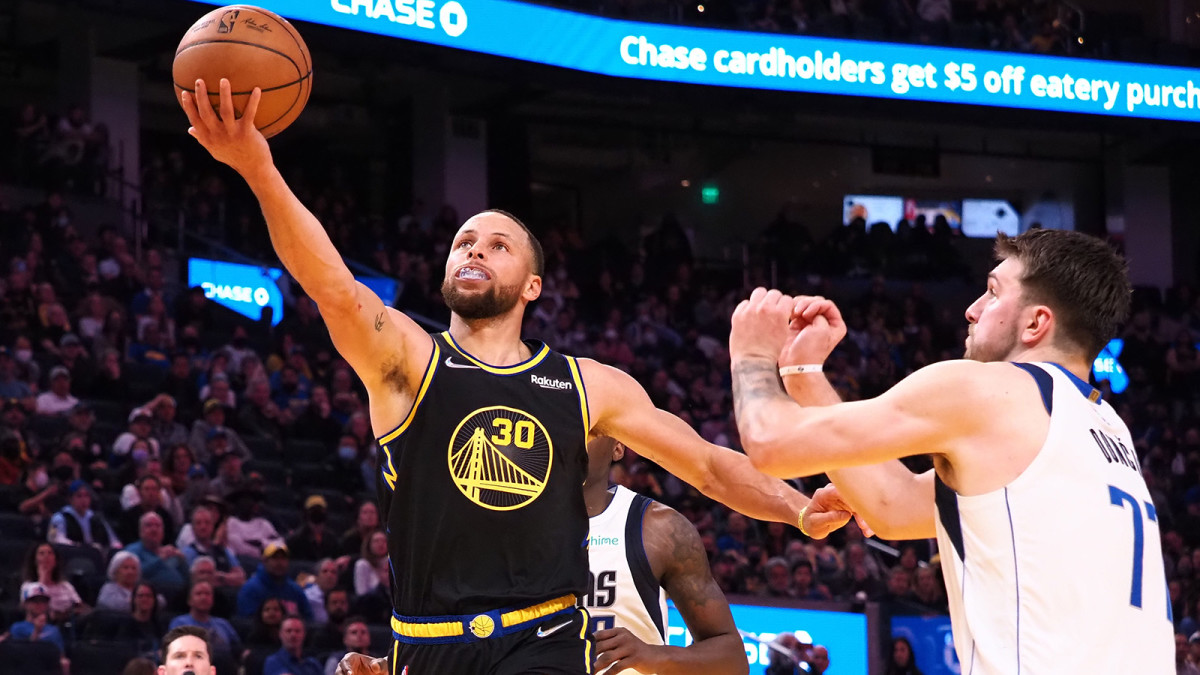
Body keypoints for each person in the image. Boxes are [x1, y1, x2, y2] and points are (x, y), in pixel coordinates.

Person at [181, 79, 856, 674]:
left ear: (532, 284)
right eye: (463, 242)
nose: (474, 249)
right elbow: (330, 284)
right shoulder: (409, 358)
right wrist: (258, 168)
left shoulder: (588, 383)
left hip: (546, 635)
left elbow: (708, 465)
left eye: (496, 244)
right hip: (426, 640)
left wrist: (796, 506)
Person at [727, 229, 1174, 672]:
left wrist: (750, 353)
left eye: (992, 293)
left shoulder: (989, 389)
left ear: (1036, 323)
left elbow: (770, 443)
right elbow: (893, 508)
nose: (972, 309)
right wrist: (802, 373)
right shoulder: (1106, 425)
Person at [582, 437, 745, 675]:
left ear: (617, 447)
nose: (571, 431)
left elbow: (733, 660)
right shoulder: (511, 528)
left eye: (589, 428)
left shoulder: (660, 528)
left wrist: (656, 655)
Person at [168, 581, 243, 659]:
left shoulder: (223, 624)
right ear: (189, 601)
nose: (203, 597)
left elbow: (238, 648)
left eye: (207, 594)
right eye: (199, 594)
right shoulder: (180, 623)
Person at [236, 542, 312, 619]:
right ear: (265, 561)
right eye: (275, 558)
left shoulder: (295, 590)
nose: (280, 563)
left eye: (283, 558)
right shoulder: (251, 589)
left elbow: (308, 619)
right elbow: (247, 623)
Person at [47, 479, 121, 553]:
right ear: (70, 499)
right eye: (79, 496)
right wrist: (81, 547)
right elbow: (57, 540)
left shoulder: (95, 517)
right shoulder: (60, 517)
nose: (84, 500)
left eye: (86, 496)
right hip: (72, 555)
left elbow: (113, 540)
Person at [20, 542, 88, 622]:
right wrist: (43, 579)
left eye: (50, 553)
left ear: (55, 560)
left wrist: (66, 613)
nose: (46, 556)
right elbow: (33, 610)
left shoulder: (65, 585)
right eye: (42, 553)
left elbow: (80, 606)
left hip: (69, 621)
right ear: (35, 560)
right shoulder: (28, 586)